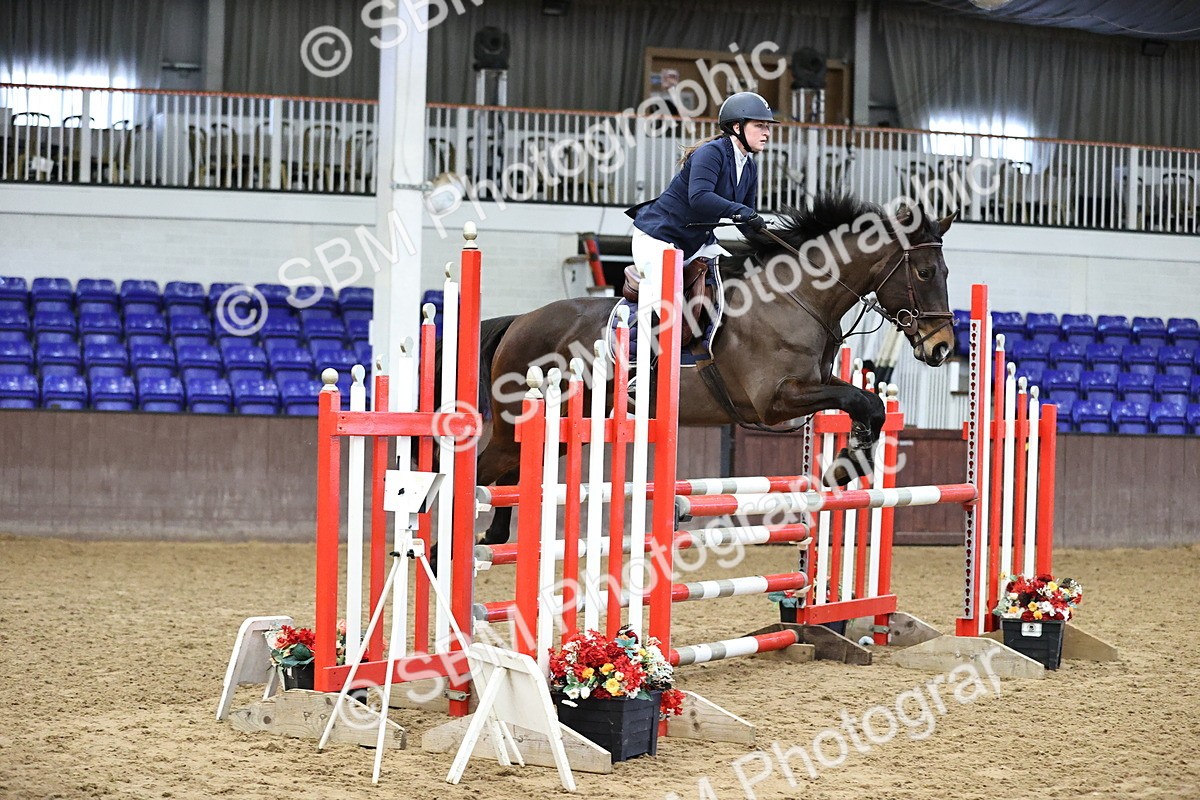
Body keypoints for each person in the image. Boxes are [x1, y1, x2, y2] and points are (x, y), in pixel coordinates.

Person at [622, 91, 776, 337]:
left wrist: (773, 244)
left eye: (768, 127)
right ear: (737, 127)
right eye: (760, 126)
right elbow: (700, 197)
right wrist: (743, 212)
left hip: (698, 244)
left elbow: (745, 221)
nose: (767, 133)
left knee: (741, 279)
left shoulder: (749, 166)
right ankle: (640, 358)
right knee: (670, 309)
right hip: (659, 240)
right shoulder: (712, 153)